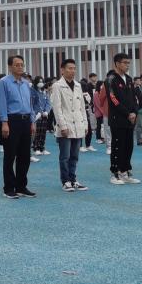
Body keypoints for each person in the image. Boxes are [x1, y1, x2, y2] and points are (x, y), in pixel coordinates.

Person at [0, 55, 36, 199]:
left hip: (26, 121)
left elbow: (30, 104)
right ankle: (8, 188)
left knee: (25, 156)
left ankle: (21, 186)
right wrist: (4, 122)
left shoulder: (26, 83)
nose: (20, 67)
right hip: (11, 121)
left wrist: (32, 121)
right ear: (10, 67)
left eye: (22, 65)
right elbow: (2, 104)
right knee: (10, 155)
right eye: (17, 65)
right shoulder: (4, 82)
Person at [50, 59, 88, 192]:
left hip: (78, 124)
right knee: (65, 156)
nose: (72, 71)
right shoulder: (57, 86)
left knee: (75, 156)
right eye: (69, 68)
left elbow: (82, 107)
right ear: (62, 70)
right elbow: (57, 108)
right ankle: (65, 181)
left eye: (74, 68)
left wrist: (85, 124)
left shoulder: (78, 85)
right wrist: (63, 126)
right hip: (65, 125)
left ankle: (73, 179)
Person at [106, 53, 140, 185]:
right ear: (117, 63)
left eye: (128, 63)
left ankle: (125, 171)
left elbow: (134, 98)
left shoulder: (129, 79)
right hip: (118, 118)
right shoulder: (111, 79)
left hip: (130, 119)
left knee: (128, 146)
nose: (127, 65)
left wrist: (134, 112)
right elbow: (113, 99)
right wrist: (127, 113)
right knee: (117, 146)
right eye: (125, 63)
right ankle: (115, 173)